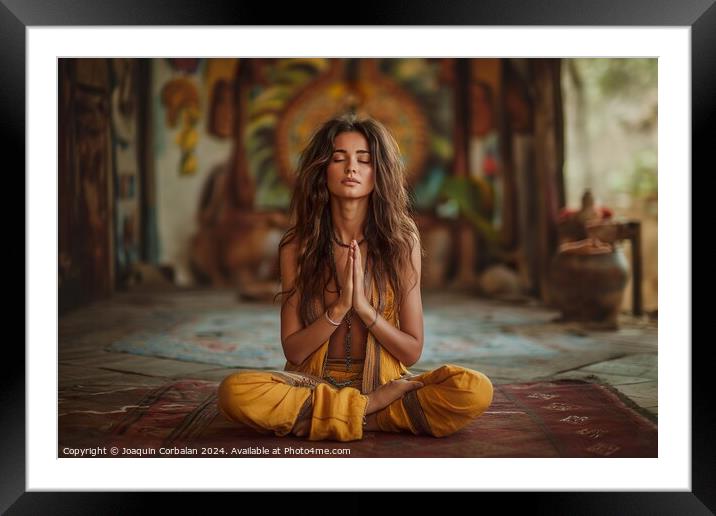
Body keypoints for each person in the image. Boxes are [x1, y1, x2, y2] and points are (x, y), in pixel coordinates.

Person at [217, 114, 494, 442]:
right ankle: (370, 413)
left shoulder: (402, 241)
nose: (352, 168)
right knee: (235, 393)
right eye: (339, 158)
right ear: (323, 170)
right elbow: (293, 350)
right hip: (313, 385)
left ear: (379, 173)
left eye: (364, 160)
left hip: (384, 382)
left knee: (473, 388)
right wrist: (339, 308)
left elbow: (411, 351)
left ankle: (334, 417)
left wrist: (363, 308)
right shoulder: (296, 245)